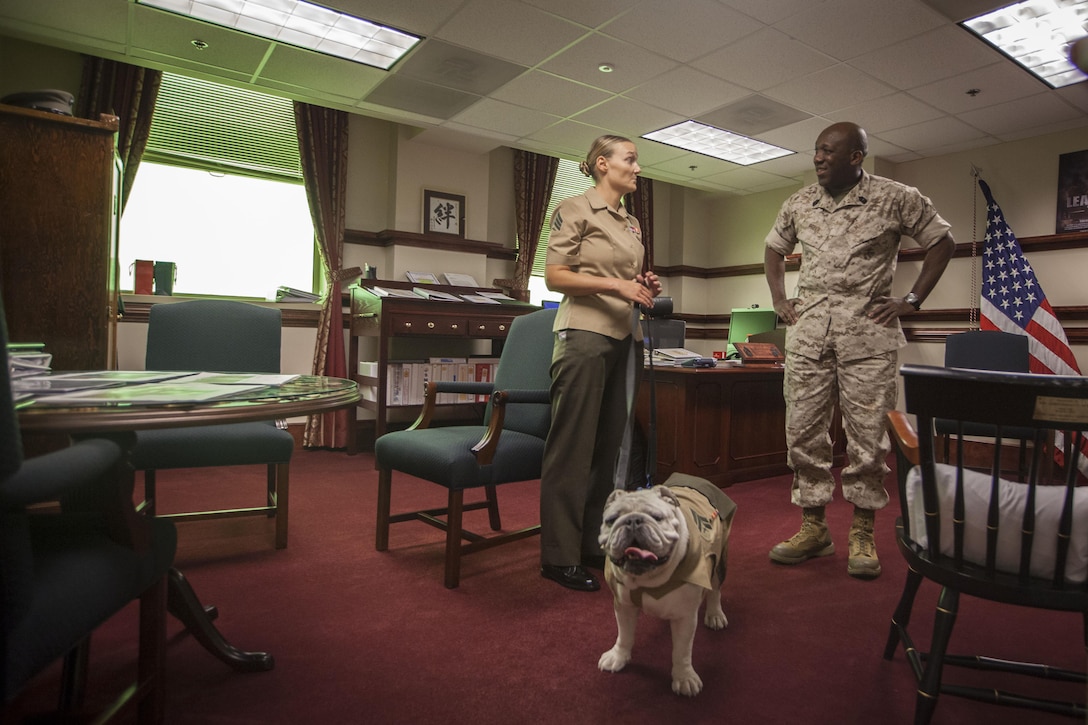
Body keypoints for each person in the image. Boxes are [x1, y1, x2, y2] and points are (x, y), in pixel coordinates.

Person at [763, 121, 955, 579]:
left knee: (868, 439)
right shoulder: (799, 203)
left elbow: (942, 242)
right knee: (804, 433)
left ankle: (862, 531)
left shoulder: (896, 197)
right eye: (816, 151)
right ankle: (813, 528)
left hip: (868, 339)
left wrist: (911, 301)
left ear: (856, 156)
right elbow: (773, 249)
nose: (818, 158)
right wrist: (778, 299)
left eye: (829, 151)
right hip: (809, 338)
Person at [539, 134, 662, 591]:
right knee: (572, 449)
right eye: (630, 159)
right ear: (601, 164)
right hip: (584, 338)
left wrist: (642, 283)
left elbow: (624, 280)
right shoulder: (574, 209)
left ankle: (590, 543)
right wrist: (618, 287)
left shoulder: (631, 225)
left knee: (607, 451)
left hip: (624, 339)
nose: (637, 167)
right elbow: (555, 276)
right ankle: (557, 555)